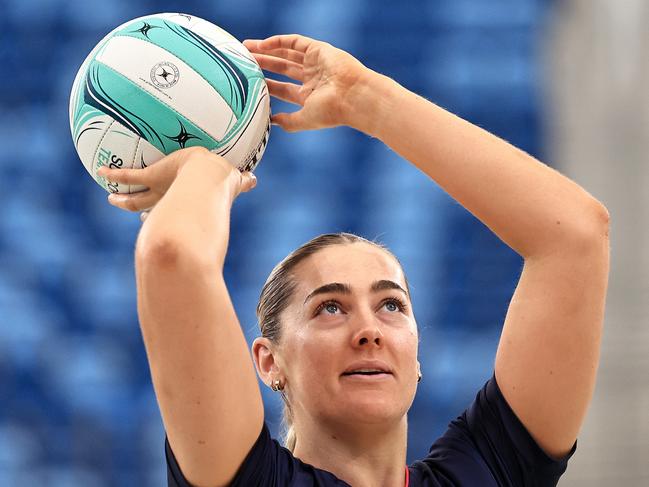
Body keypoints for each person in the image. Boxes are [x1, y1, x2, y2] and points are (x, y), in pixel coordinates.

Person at [97, 34, 610, 487]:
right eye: (330, 308)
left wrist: (369, 100)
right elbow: (172, 256)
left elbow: (577, 236)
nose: (370, 330)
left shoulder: (485, 471)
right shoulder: (248, 477)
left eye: (391, 305)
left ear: (416, 350)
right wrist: (206, 168)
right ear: (269, 362)